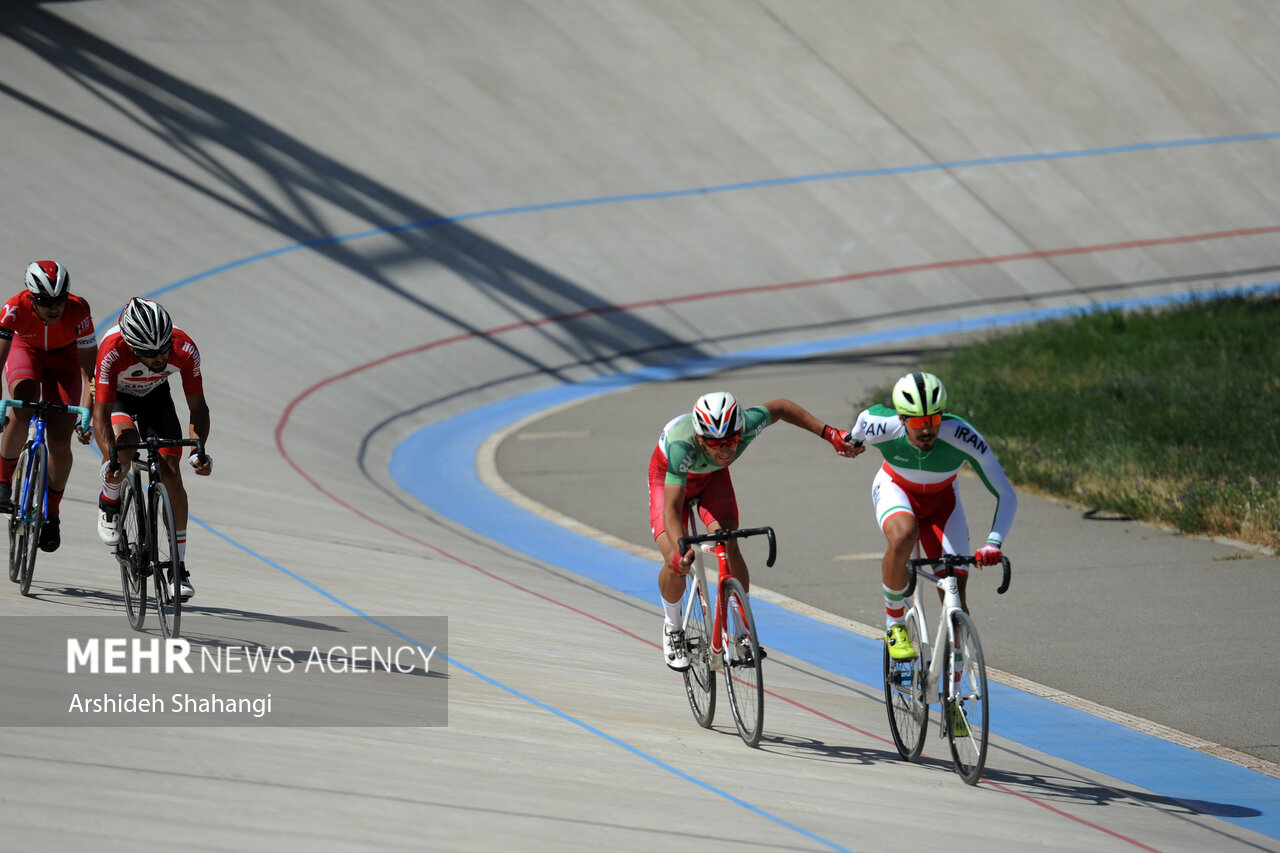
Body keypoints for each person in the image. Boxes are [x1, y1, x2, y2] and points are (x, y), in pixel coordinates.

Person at [651, 390, 858, 670]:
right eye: (714, 443)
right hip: (669, 481)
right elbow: (673, 510)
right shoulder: (681, 445)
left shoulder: (747, 423)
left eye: (732, 441)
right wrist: (679, 551)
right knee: (676, 560)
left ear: (740, 430)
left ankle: (738, 632)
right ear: (700, 438)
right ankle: (673, 628)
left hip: (711, 477)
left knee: (728, 542)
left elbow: (783, 407)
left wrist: (830, 434)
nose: (725, 450)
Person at [847, 371, 1016, 664]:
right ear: (901, 419)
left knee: (955, 598)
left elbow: (1006, 493)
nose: (927, 430)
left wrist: (993, 543)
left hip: (942, 503)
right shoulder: (881, 426)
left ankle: (957, 697)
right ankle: (895, 625)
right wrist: (852, 441)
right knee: (903, 534)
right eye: (916, 422)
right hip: (896, 488)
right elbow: (860, 425)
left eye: (933, 420)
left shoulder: (962, 435)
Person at [93, 297, 211, 600]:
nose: (160, 357)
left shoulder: (184, 348)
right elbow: (101, 414)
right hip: (118, 397)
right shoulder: (111, 351)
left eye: (164, 349)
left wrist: (199, 450)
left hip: (156, 396)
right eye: (149, 352)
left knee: (171, 471)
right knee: (126, 448)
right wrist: (112, 460)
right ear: (132, 347)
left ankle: (177, 565)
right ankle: (110, 498)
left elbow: (197, 407)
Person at [0, 261, 97, 552]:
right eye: (45, 302)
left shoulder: (79, 312)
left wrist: (86, 415)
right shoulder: (13, 309)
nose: (54, 308)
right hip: (25, 352)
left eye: (59, 301)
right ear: (31, 298)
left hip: (65, 360)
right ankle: (3, 481)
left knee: (59, 439)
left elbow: (90, 374)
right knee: (24, 403)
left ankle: (52, 514)